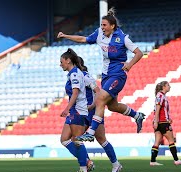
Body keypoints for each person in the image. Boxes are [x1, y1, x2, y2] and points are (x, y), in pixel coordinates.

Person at [57, 7, 145, 141]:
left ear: (112, 26)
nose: (102, 27)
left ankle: (90, 132)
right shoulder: (99, 34)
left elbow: (139, 53)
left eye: (104, 25)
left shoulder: (123, 38)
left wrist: (129, 64)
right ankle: (137, 115)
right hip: (106, 76)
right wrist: (65, 36)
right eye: (101, 25)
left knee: (100, 99)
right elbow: (83, 39)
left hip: (118, 75)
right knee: (112, 106)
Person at [78, 56, 122, 172]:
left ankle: (116, 164)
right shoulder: (75, 77)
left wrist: (92, 106)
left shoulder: (85, 76)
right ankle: (87, 163)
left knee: (101, 139)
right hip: (83, 113)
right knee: (76, 138)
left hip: (92, 113)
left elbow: (98, 92)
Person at [59, 48, 89, 172]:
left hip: (77, 110)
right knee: (64, 139)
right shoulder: (72, 73)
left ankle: (83, 170)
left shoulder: (75, 74)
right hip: (75, 110)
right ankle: (86, 162)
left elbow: (76, 92)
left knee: (77, 140)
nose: (60, 64)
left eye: (62, 61)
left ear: (68, 60)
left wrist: (67, 108)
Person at [150, 81, 181, 166]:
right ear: (164, 87)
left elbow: (161, 110)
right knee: (171, 140)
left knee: (157, 141)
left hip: (160, 121)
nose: (170, 87)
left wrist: (166, 118)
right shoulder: (161, 95)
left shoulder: (160, 96)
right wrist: (156, 121)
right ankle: (176, 160)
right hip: (162, 122)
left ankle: (152, 161)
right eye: (168, 85)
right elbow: (158, 109)